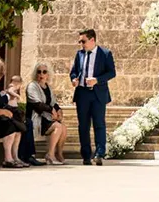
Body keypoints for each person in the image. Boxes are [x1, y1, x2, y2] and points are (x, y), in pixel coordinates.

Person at [69, 28, 116, 165]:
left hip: (98, 94)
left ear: (92, 40)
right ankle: (86, 155)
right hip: (82, 93)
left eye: (83, 41)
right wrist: (73, 79)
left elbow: (112, 73)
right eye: (80, 41)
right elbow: (74, 72)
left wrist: (97, 80)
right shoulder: (79, 54)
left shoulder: (105, 54)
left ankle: (99, 153)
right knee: (83, 125)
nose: (81, 44)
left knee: (99, 124)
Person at [23, 63, 69, 165]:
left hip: (46, 117)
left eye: (44, 72)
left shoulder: (48, 87)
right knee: (58, 127)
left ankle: (59, 154)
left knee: (63, 127)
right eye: (39, 71)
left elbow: (53, 103)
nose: (41, 74)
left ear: (48, 74)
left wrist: (59, 111)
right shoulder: (32, 86)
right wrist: (51, 110)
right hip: (36, 118)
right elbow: (37, 104)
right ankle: (50, 155)